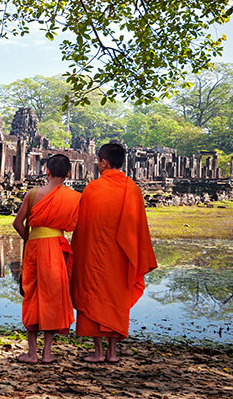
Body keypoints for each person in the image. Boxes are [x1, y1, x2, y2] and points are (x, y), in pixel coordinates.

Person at [70, 143, 158, 363]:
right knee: (116, 300)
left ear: (104, 163)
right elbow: (138, 228)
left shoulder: (93, 188)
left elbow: (83, 227)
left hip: (94, 256)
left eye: (98, 161)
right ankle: (112, 353)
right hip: (121, 257)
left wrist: (77, 254)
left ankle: (98, 352)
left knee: (93, 298)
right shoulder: (133, 189)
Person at [12, 154, 81, 363]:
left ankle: (31, 353)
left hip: (35, 248)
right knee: (53, 297)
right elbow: (76, 225)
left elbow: (17, 223)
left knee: (32, 294)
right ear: (69, 174)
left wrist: (32, 237)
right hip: (56, 247)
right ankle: (47, 354)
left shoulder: (32, 194)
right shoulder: (74, 197)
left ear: (47, 171)